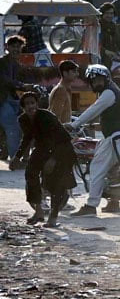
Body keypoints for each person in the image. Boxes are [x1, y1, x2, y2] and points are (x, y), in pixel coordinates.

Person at [69, 65, 120, 217]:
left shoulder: (108, 93)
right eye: (94, 80)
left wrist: (74, 124)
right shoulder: (110, 90)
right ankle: (114, 201)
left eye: (99, 80)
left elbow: (93, 110)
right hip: (119, 135)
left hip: (116, 137)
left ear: (106, 79)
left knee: (96, 167)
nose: (97, 83)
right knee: (111, 168)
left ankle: (91, 205)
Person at [14, 92, 77, 227]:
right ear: (23, 107)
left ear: (37, 104)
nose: (30, 106)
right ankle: (38, 211)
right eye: (27, 104)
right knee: (30, 173)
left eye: (33, 103)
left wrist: (53, 159)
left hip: (61, 148)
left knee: (55, 182)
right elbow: (27, 138)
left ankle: (53, 218)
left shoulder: (47, 117)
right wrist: (17, 157)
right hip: (43, 148)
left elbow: (59, 140)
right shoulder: (23, 120)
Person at [1, 36, 34, 168]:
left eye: (18, 47)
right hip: (2, 100)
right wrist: (22, 85)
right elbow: (5, 80)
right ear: (7, 47)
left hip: (12, 100)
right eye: (13, 46)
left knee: (24, 125)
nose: (16, 49)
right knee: (13, 127)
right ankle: (15, 160)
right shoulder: (2, 63)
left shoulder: (17, 64)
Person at [49, 60, 79, 124]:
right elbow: (55, 116)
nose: (77, 74)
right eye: (74, 72)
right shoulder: (61, 90)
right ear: (65, 73)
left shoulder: (67, 88)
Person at [98, 3, 119, 69]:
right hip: (100, 60)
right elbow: (94, 44)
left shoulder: (113, 26)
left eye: (111, 13)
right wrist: (106, 51)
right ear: (102, 14)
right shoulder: (97, 26)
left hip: (112, 60)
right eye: (107, 13)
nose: (109, 15)